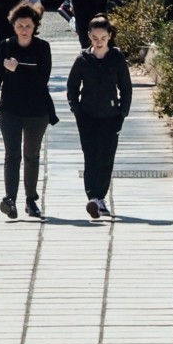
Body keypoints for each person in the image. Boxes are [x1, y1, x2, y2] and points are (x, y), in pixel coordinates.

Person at [0, 0, 57, 220]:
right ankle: (10, 199)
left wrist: (19, 68)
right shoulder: (5, 46)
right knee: (12, 155)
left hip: (37, 110)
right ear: (13, 26)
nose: (24, 30)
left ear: (35, 26)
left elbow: (42, 79)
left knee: (32, 155)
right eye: (19, 26)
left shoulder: (42, 47)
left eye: (28, 26)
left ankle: (31, 200)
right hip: (10, 109)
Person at [66, 16, 132, 220]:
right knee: (91, 156)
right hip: (87, 116)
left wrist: (122, 112)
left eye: (103, 37)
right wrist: (76, 109)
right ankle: (93, 197)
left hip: (111, 116)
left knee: (106, 157)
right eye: (95, 38)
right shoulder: (83, 59)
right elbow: (72, 86)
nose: (99, 41)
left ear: (110, 36)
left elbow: (126, 87)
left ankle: (99, 196)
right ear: (89, 37)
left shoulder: (117, 58)